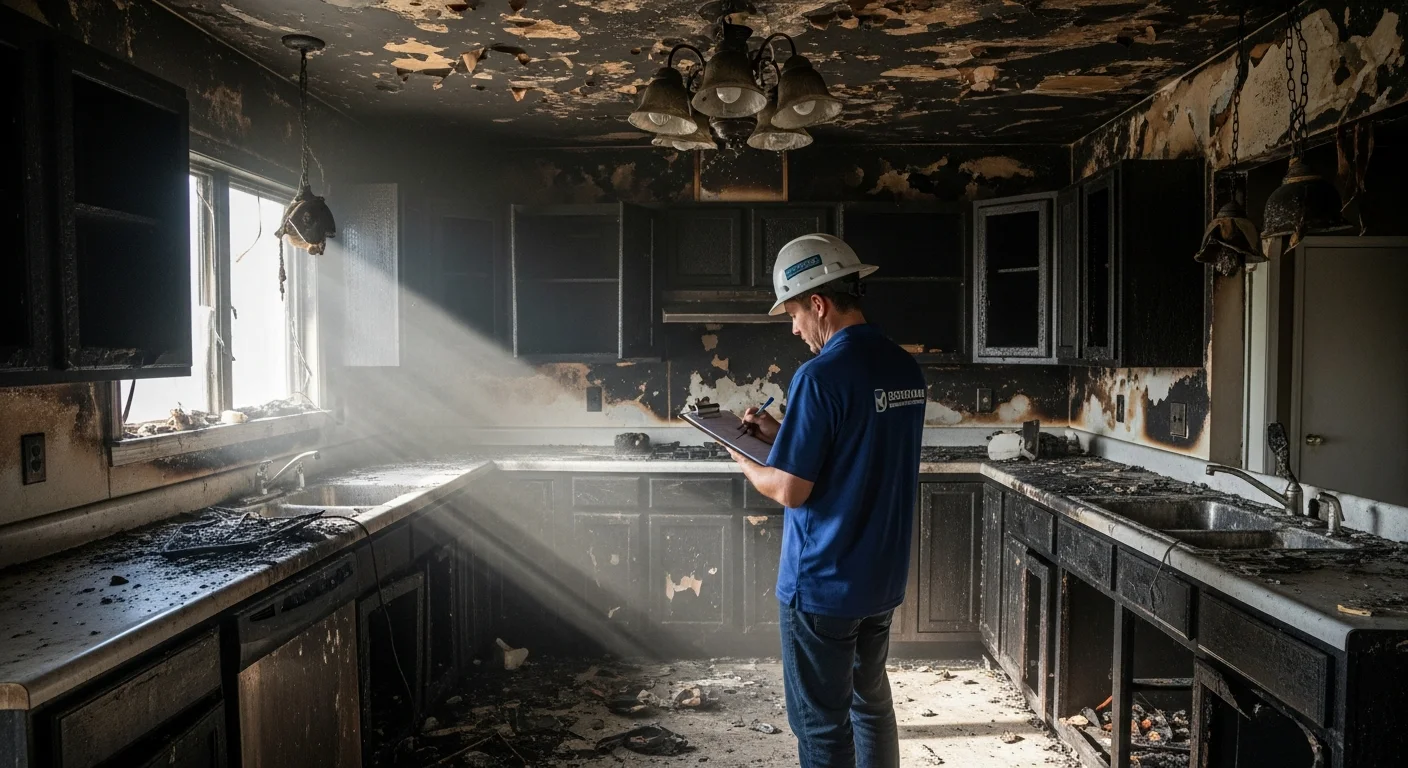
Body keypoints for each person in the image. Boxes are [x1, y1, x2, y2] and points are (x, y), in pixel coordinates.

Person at [724, 233, 926, 768]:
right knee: (870, 704)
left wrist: (742, 455)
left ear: (818, 303)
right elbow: (855, 446)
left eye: (793, 314)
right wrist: (781, 431)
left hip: (823, 583)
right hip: (880, 578)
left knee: (820, 726)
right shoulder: (903, 367)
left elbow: (790, 490)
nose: (794, 329)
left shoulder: (819, 375)